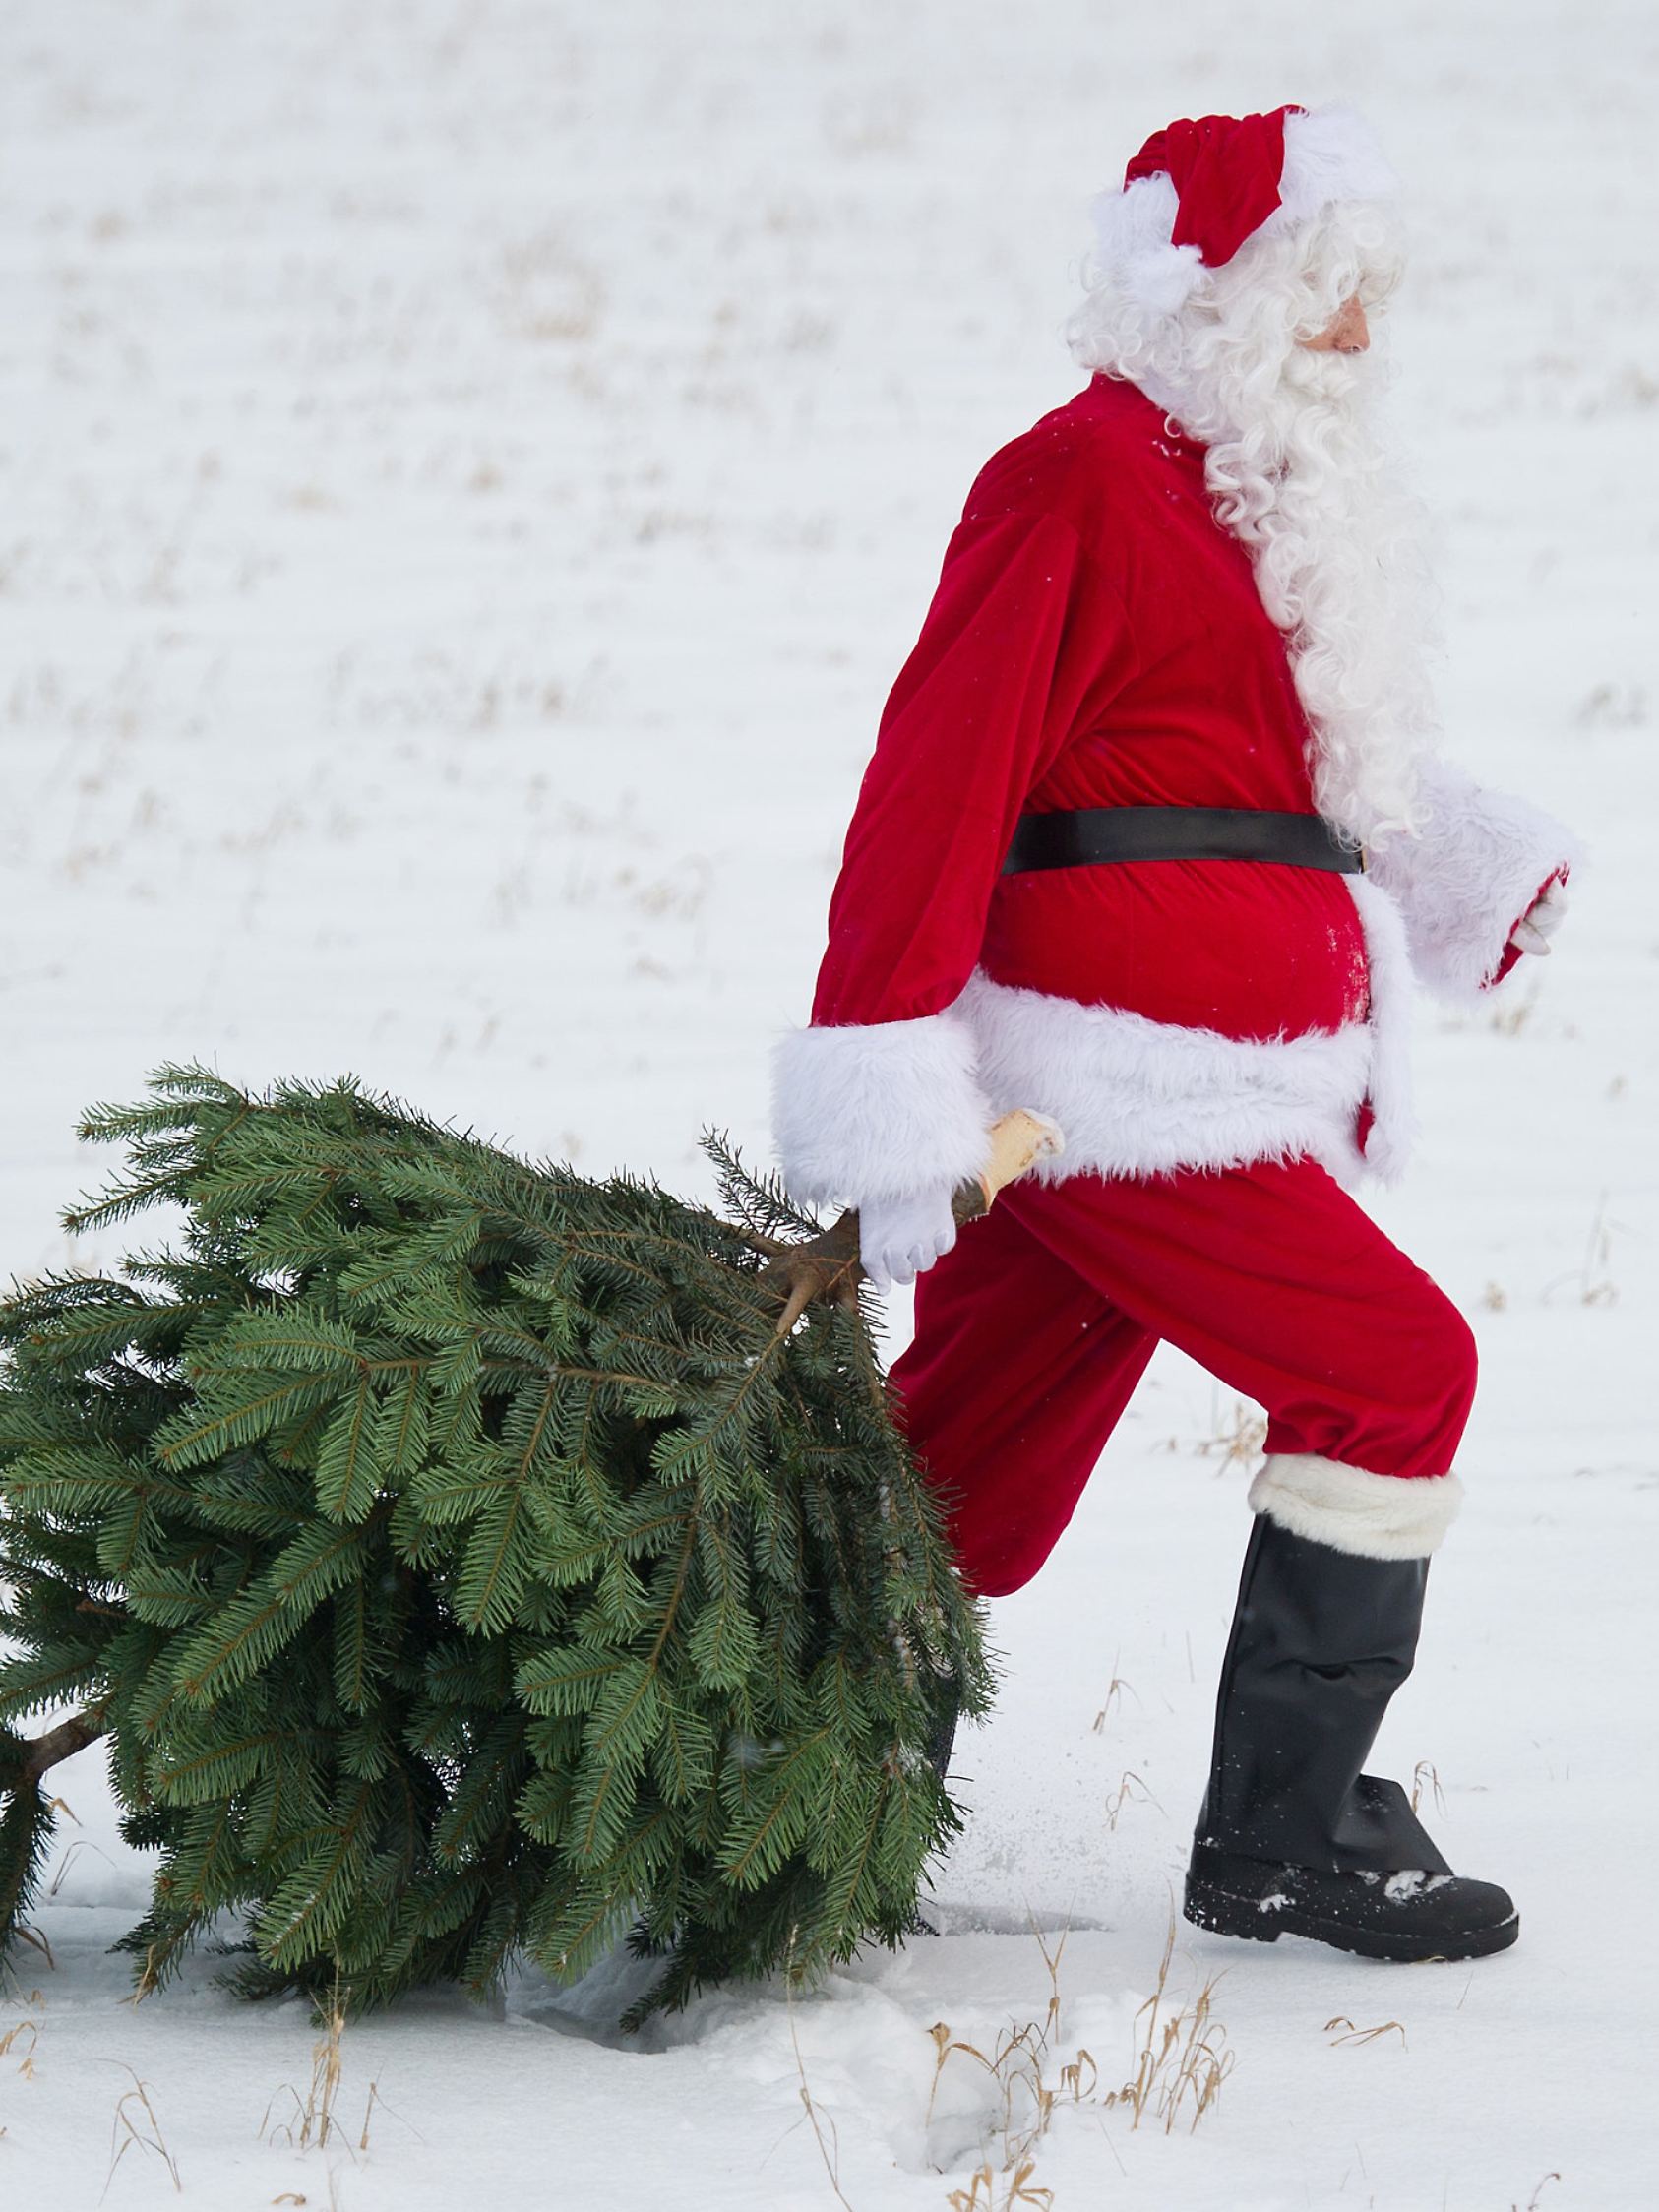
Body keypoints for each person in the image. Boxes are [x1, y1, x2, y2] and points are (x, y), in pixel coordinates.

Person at [768, 104, 1580, 1963]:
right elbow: (932, 782)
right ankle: (1282, 1845)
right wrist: (884, 1083)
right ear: (1208, 295)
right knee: (1395, 1368)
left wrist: (1462, 869)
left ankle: (759, 1754)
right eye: (1326, 295)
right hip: (1112, 1076)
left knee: (963, 1482)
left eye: (1367, 300)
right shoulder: (1071, 479)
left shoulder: (1246, 499)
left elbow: (1272, 762)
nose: (1360, 341)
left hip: (1193, 1072)